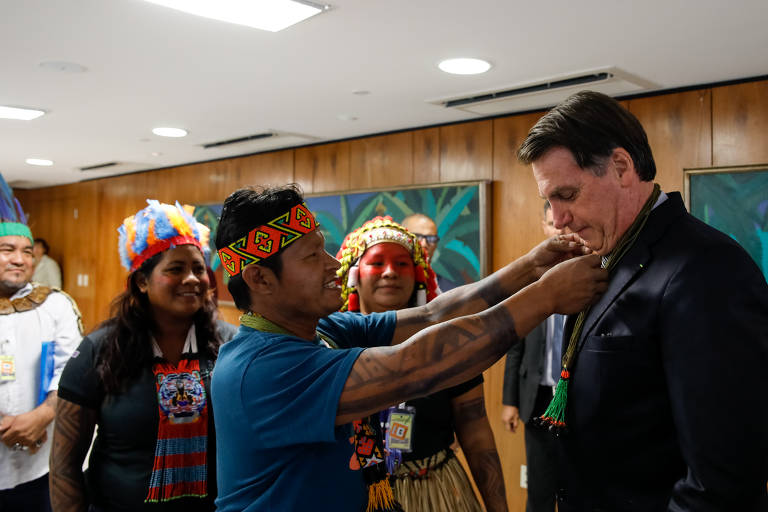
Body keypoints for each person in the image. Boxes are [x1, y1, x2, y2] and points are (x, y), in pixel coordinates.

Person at [211, 185, 607, 512]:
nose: (334, 265)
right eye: (313, 256)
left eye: (324, 249)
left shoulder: (323, 331)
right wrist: (546, 296)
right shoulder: (261, 369)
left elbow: (433, 315)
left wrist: (532, 268)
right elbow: (415, 367)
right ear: (260, 279)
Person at [517, 90, 768, 511]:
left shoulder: (706, 269)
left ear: (621, 167)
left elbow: (723, 478)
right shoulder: (604, 257)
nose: (557, 219)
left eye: (568, 195)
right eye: (549, 201)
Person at [50, 200, 237, 512]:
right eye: (176, 269)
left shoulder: (230, 345)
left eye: (198, 268)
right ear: (142, 281)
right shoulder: (100, 350)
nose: (192, 278)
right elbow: (64, 467)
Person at [336, 216, 506, 512]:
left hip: (435, 491)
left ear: (417, 275)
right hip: (353, 493)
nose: (390, 272)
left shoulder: (448, 342)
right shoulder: (332, 345)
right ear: (355, 275)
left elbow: (476, 430)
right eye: (377, 263)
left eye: (401, 263)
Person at [0, 175, 82, 511]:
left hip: (38, 466)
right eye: (7, 250)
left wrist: (43, 415)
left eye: (27, 252)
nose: (19, 259)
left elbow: (70, 370)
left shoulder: (56, 305)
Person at [501, 201, 564, 512]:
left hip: (576, 399)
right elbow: (516, 345)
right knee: (539, 490)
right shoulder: (529, 279)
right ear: (544, 226)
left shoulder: (593, 275)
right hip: (536, 398)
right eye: (553, 224)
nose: (559, 231)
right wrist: (509, 401)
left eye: (564, 224)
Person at [401, 212, 460, 291]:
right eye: (416, 237)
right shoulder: (388, 280)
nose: (424, 244)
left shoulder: (449, 292)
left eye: (431, 238)